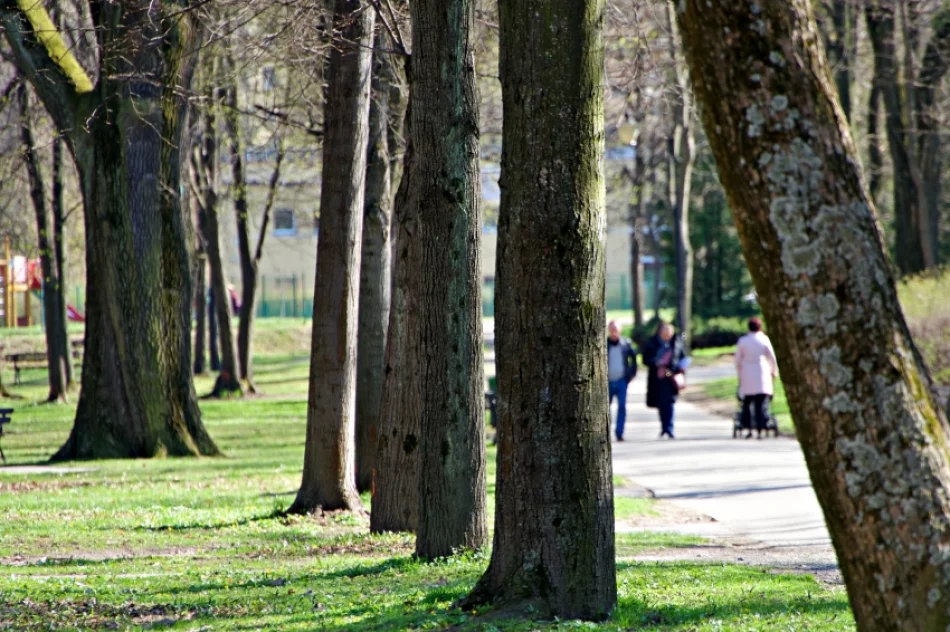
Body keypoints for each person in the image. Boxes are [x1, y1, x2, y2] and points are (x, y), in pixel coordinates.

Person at [735, 317, 778, 439]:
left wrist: (739, 373)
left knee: (747, 402)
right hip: (761, 372)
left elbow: (737, 360)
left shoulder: (743, 341)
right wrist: (774, 371)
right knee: (761, 403)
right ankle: (761, 427)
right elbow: (771, 357)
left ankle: (748, 427)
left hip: (747, 372)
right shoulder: (764, 340)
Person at [643, 322, 686, 439]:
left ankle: (669, 428)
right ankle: (664, 427)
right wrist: (656, 363)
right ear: (660, 332)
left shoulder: (677, 342)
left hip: (670, 374)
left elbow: (682, 357)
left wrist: (681, 370)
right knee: (662, 402)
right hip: (657, 376)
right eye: (665, 331)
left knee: (670, 401)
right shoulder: (653, 342)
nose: (668, 334)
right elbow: (645, 359)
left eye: (670, 331)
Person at [607, 321, 638, 442]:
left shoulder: (626, 343)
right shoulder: (604, 344)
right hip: (607, 382)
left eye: (616, 329)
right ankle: (605, 433)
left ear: (620, 330)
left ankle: (619, 433)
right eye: (612, 329)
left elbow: (633, 359)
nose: (614, 332)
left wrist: (631, 374)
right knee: (605, 409)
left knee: (622, 407)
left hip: (621, 381)